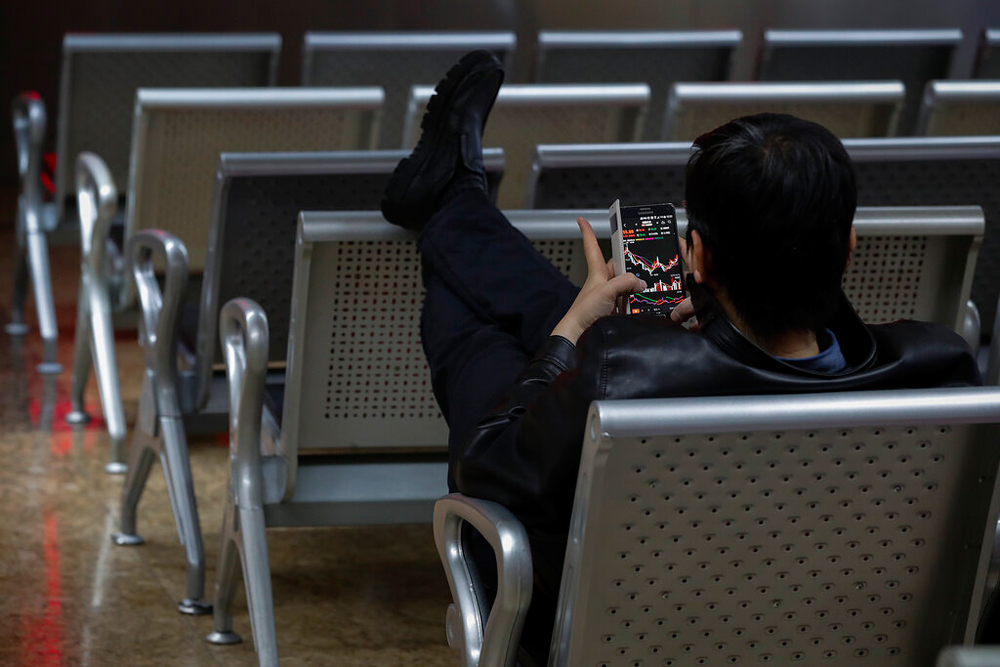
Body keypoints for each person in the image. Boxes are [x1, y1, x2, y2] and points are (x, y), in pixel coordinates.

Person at [380, 51, 982, 663]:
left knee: (476, 329)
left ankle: (451, 201)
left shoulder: (625, 373)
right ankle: (454, 197)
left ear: (699, 257)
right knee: (556, 305)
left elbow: (481, 468)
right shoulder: (940, 373)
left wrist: (573, 329)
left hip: (579, 627)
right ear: (848, 246)